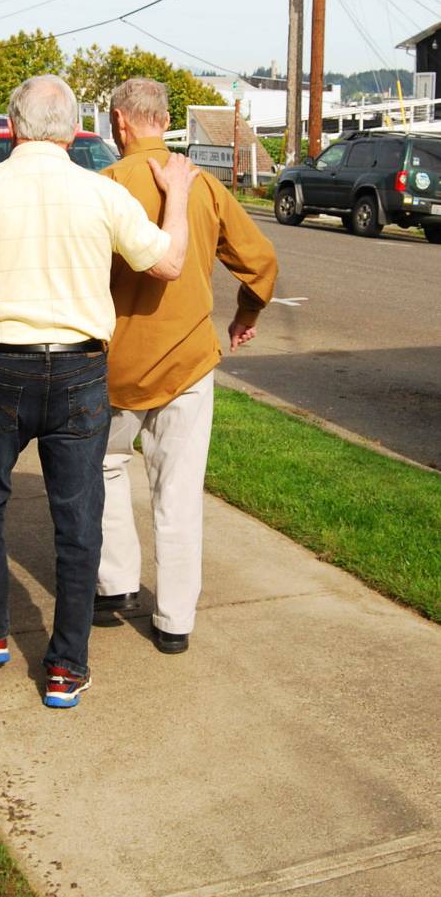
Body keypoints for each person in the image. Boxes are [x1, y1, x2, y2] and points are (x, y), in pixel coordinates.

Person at [0, 75, 199, 708]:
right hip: (78, 372)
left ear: (13, 127)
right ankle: (66, 666)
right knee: (78, 517)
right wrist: (176, 194)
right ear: (75, 130)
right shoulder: (99, 193)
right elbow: (168, 263)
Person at [93, 77, 278, 654]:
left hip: (115, 367)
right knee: (178, 493)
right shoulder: (203, 186)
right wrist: (247, 311)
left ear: (121, 122)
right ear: (163, 118)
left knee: (103, 468)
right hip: (191, 362)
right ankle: (175, 621)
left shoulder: (105, 186)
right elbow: (259, 259)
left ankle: (114, 585)